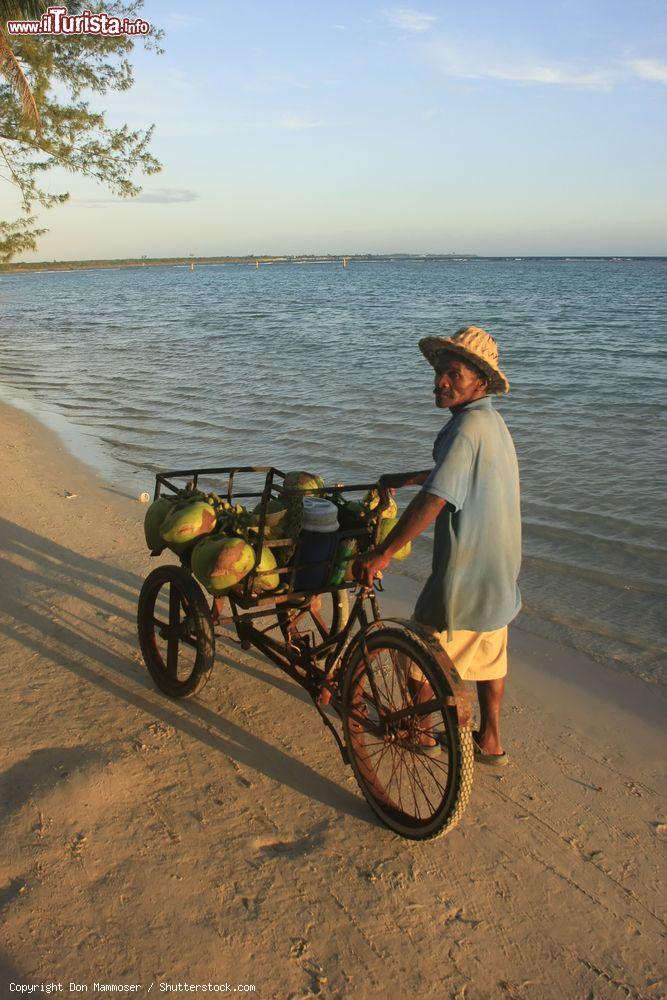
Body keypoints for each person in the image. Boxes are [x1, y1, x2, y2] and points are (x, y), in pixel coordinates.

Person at [353, 326, 521, 765]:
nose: (441, 382)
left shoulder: (465, 429)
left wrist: (383, 552)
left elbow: (438, 497)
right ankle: (491, 740)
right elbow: (450, 475)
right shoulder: (490, 423)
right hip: (500, 570)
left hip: (463, 574)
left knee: (417, 655)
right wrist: (402, 479)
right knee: (488, 649)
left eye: (454, 374)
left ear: (480, 382)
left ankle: (422, 733)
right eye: (439, 372)